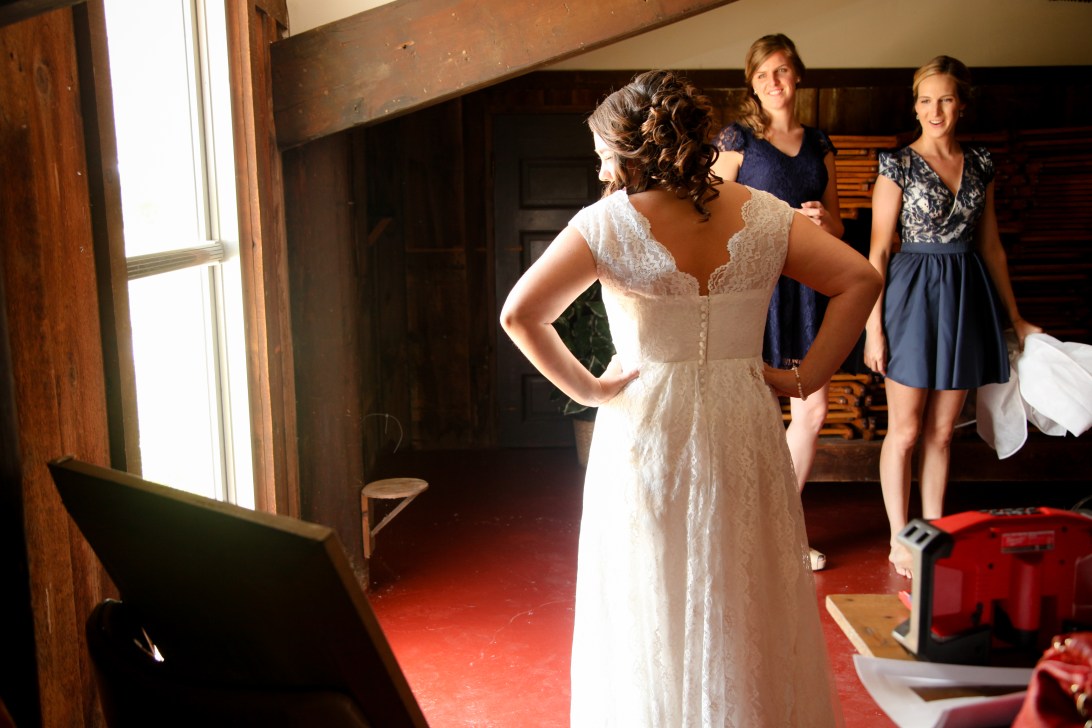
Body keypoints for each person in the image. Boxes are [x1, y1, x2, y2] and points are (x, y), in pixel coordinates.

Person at [501, 69, 879, 726]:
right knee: (743, 584)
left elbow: (520, 314)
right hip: (743, 423)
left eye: (603, 157)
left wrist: (591, 389)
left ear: (631, 151)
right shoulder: (765, 213)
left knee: (652, 589)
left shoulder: (607, 224)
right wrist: (804, 378)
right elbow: (860, 280)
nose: (601, 172)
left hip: (647, 427)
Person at [864, 56, 1042, 578]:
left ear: (961, 104)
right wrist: (874, 328)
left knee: (942, 433)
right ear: (915, 106)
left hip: (966, 294)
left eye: (945, 99)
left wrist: (1016, 318)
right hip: (910, 296)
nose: (934, 110)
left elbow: (992, 246)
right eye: (925, 100)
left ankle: (934, 533)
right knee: (905, 431)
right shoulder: (896, 165)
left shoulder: (981, 163)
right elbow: (879, 251)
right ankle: (900, 538)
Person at [712, 34, 845, 571]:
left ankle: (783, 527)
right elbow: (709, 212)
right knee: (756, 412)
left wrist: (824, 222)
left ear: (798, 75)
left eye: (782, 70)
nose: (774, 81)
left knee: (813, 409)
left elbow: (838, 226)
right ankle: (747, 530)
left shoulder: (820, 142)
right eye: (763, 73)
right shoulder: (737, 138)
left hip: (809, 289)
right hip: (756, 285)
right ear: (752, 82)